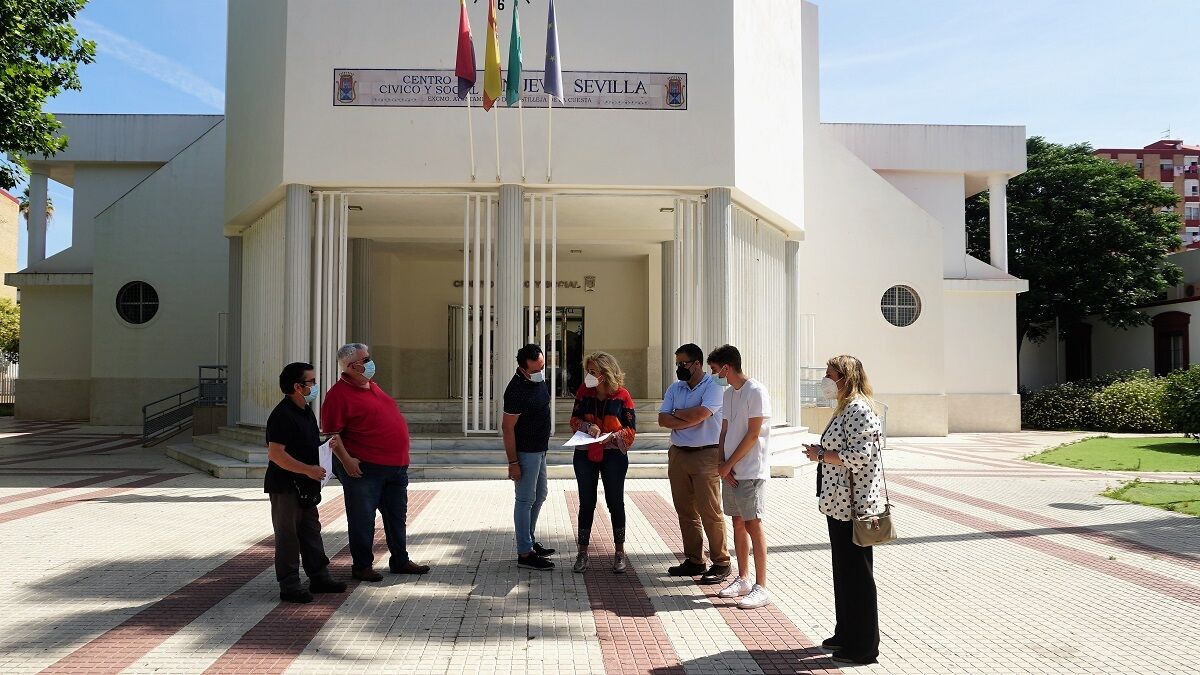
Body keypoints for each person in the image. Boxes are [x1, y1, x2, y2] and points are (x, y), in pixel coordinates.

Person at [322, 343, 430, 582]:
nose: (371, 362)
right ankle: (362, 566)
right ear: (353, 366)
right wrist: (346, 461)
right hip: (366, 469)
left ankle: (400, 560)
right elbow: (331, 434)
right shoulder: (337, 395)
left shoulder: (372, 386)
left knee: (396, 517)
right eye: (366, 359)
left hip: (395, 468)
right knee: (362, 519)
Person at [803, 355, 884, 665]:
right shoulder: (845, 408)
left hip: (855, 507)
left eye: (830, 374)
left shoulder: (859, 409)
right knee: (844, 572)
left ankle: (863, 646)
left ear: (845, 377)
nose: (825, 379)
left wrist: (821, 455)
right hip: (838, 504)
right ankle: (846, 632)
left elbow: (860, 457)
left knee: (857, 576)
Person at [264, 362, 347, 603]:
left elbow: (304, 446)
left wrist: (325, 448)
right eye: (311, 382)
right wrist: (308, 470)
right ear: (297, 387)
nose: (315, 386)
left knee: (311, 531)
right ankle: (289, 585)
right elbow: (276, 454)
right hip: (286, 486)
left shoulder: (306, 411)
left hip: (305, 485)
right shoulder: (282, 415)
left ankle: (319, 577)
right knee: (288, 536)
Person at [657, 343, 730, 584]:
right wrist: (689, 417)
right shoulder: (675, 388)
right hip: (679, 454)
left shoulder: (714, 386)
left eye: (683, 363)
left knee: (710, 510)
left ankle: (721, 562)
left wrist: (677, 414)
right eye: (677, 363)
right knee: (685, 511)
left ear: (697, 364)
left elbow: (701, 414)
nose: (679, 367)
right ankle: (694, 560)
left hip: (706, 454)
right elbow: (662, 419)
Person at [707, 344, 773, 610]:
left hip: (750, 470)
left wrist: (729, 464)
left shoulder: (756, 391)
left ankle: (761, 586)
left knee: (753, 523)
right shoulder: (728, 394)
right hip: (730, 470)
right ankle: (743, 578)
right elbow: (724, 430)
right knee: (737, 522)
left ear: (727, 367)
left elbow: (753, 434)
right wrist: (721, 462)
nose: (714, 374)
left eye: (715, 369)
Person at [569, 352, 637, 573]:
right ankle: (582, 553)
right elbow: (574, 419)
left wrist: (613, 437)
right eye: (587, 371)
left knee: (615, 502)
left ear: (605, 373)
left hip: (613, 455)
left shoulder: (622, 396)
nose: (588, 375)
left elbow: (631, 430)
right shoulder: (583, 392)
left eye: (593, 371)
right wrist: (587, 427)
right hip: (585, 452)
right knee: (586, 502)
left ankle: (619, 553)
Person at [502, 343, 556, 571]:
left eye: (542, 367)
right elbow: (507, 428)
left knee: (540, 494)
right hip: (525, 452)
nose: (540, 373)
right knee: (525, 500)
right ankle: (524, 553)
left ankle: (530, 541)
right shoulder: (515, 390)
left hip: (540, 449)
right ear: (523, 369)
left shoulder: (538, 381)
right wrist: (513, 463)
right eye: (535, 370)